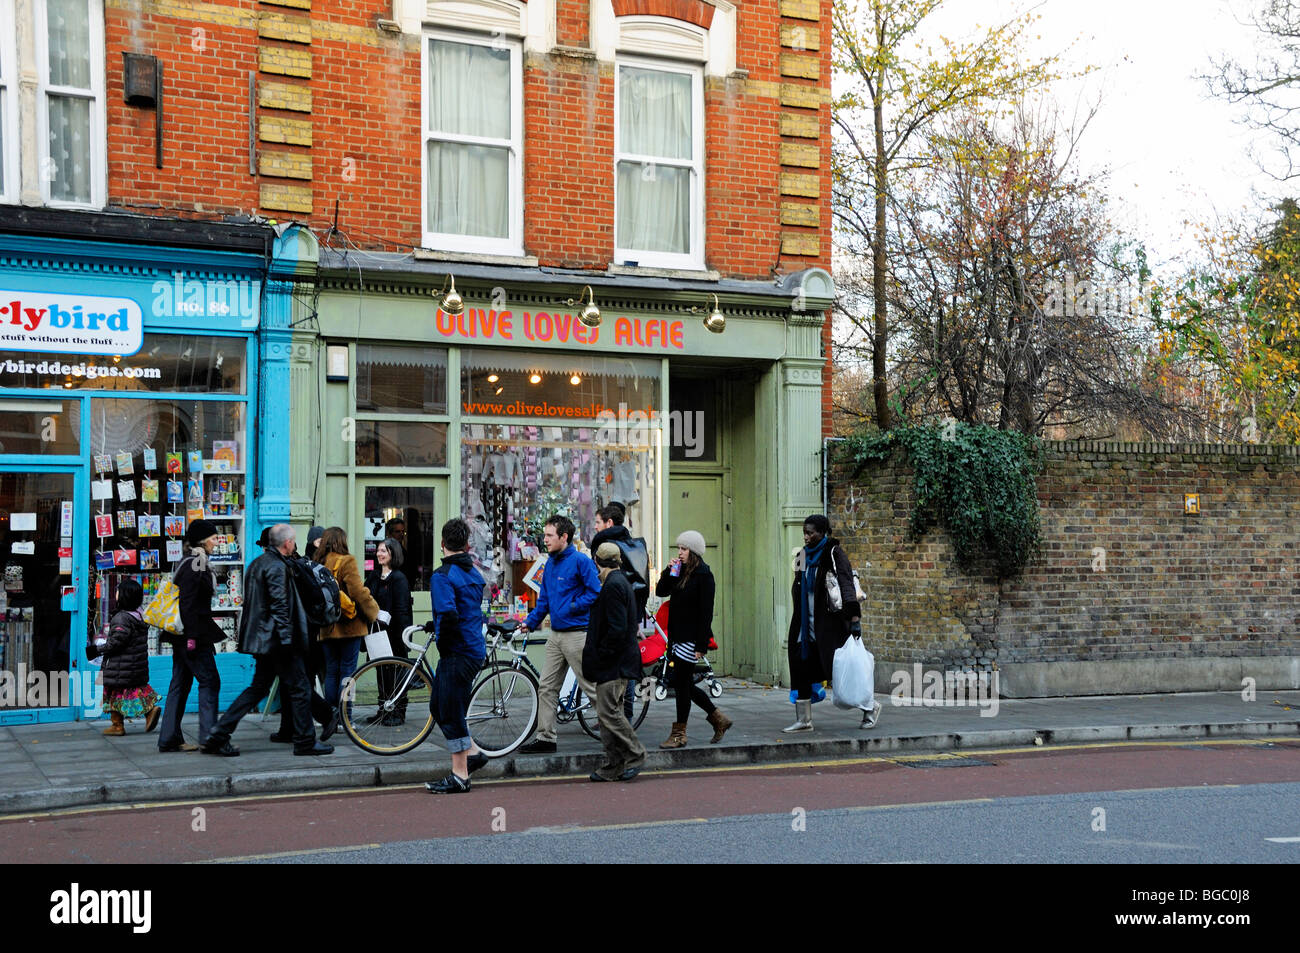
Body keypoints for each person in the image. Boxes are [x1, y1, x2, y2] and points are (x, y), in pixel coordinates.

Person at [201, 523, 332, 756]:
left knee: (258, 688)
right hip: (278, 641)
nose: (294, 544)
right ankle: (305, 741)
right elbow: (280, 606)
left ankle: (218, 733)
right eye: (293, 541)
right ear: (287, 543)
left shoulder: (257, 563)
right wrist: (287, 640)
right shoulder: (276, 567)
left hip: (264, 640)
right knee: (300, 688)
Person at [517, 514, 602, 754]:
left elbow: (595, 592)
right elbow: (544, 599)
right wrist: (530, 622)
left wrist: (572, 607)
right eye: (545, 535)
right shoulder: (550, 563)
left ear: (564, 537)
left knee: (593, 688)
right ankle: (546, 738)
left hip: (577, 635)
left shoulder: (581, 561)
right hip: (555, 635)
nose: (545, 540)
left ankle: (616, 737)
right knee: (546, 687)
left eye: (549, 535)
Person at [786, 514, 878, 731]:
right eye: (804, 533)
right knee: (801, 668)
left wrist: (854, 619)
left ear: (822, 532)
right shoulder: (801, 555)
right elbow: (797, 586)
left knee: (841, 670)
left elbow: (846, 583)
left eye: (810, 533)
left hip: (829, 625)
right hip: (804, 625)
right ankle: (804, 720)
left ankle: (870, 708)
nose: (806, 537)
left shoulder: (834, 553)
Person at [424, 518, 490, 794]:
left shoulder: (442, 576)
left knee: (450, 711)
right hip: (473, 648)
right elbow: (464, 610)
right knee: (438, 707)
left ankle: (460, 775)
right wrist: (436, 623)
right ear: (466, 545)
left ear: (442, 544)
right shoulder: (474, 573)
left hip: (457, 651)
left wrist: (444, 643)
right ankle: (473, 753)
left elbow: (450, 615)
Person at [655, 530, 732, 747]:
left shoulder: (704, 576)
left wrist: (701, 644)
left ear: (694, 552)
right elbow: (661, 592)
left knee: (681, 685)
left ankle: (679, 734)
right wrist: (668, 571)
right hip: (677, 636)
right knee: (684, 684)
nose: (679, 553)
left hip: (690, 638)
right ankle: (719, 719)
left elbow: (706, 612)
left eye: (684, 549)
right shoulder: (680, 570)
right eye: (678, 548)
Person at [157, 519, 223, 753]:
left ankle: (168, 738)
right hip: (192, 635)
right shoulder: (196, 563)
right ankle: (209, 738)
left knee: (180, 683)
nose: (217, 542)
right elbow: (189, 602)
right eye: (214, 538)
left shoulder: (189, 560)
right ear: (204, 540)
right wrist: (192, 637)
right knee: (210, 681)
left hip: (183, 635)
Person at [583, 542, 647, 781]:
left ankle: (635, 753)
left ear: (598, 562)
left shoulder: (613, 586)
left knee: (609, 713)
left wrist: (602, 654)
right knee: (607, 712)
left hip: (614, 662)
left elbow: (617, 629)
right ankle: (613, 764)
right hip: (617, 660)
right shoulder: (620, 582)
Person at [315, 526, 379, 729]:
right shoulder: (347, 560)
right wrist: (374, 612)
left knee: (332, 672)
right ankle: (346, 718)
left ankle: (331, 717)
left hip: (327, 626)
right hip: (350, 626)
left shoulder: (318, 563)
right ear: (342, 540)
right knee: (348, 674)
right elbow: (358, 592)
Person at [591, 502, 646, 719]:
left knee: (620, 669)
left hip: (616, 615)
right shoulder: (634, 545)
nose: (595, 527)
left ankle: (623, 718)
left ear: (609, 523)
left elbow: (608, 584)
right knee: (624, 669)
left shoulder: (609, 547)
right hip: (630, 612)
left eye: (598, 523)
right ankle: (622, 717)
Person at [99, 578, 161, 736]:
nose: (116, 593)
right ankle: (144, 714)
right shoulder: (139, 615)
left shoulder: (122, 618)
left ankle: (119, 724)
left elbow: (115, 643)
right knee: (130, 693)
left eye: (118, 591)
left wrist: (96, 650)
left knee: (114, 693)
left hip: (120, 666)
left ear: (124, 596)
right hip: (135, 666)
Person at [365, 537, 413, 724]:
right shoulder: (374, 576)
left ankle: (398, 712)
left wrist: (402, 637)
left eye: (384, 550)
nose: (379, 554)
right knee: (381, 672)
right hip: (378, 633)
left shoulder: (399, 578)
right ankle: (383, 709)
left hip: (395, 634)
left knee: (396, 673)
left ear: (394, 553)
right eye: (378, 550)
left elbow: (401, 610)